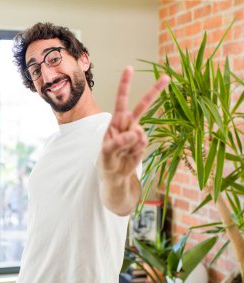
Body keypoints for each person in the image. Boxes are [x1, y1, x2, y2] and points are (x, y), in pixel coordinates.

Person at [12, 22, 169, 283]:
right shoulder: (51, 145)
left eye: (54, 58)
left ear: (83, 60)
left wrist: (117, 177)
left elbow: (122, 202)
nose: (47, 75)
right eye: (35, 70)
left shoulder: (109, 138)